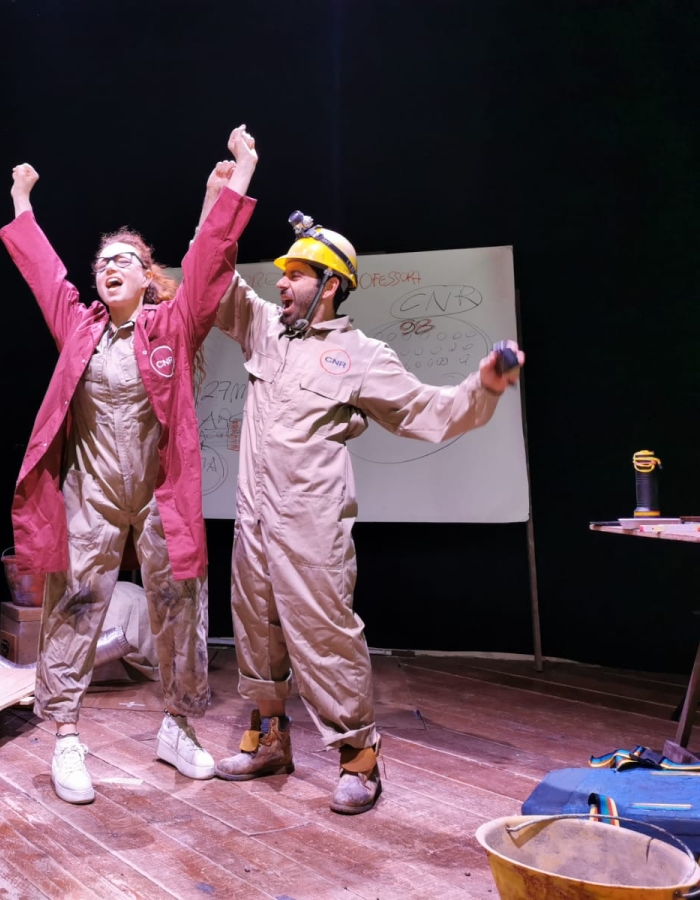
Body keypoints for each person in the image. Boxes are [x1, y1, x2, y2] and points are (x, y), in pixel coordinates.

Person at [196, 179, 524, 815]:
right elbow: (213, 274)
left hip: (312, 523)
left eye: (295, 275)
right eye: (283, 274)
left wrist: (483, 386)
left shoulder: (362, 356)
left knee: (325, 636)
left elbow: (429, 413)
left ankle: (359, 757)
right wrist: (224, 196)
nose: (280, 284)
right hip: (254, 518)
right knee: (256, 630)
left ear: (329, 284)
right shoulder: (263, 330)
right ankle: (269, 741)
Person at [0, 126, 258, 805]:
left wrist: (240, 175)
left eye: (123, 260)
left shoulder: (171, 324)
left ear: (147, 276)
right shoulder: (78, 328)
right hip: (91, 492)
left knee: (179, 602)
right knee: (74, 602)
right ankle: (64, 735)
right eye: (102, 262)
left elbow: (209, 258)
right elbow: (43, 273)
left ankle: (178, 726)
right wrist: (22, 200)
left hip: (160, 491)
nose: (108, 267)